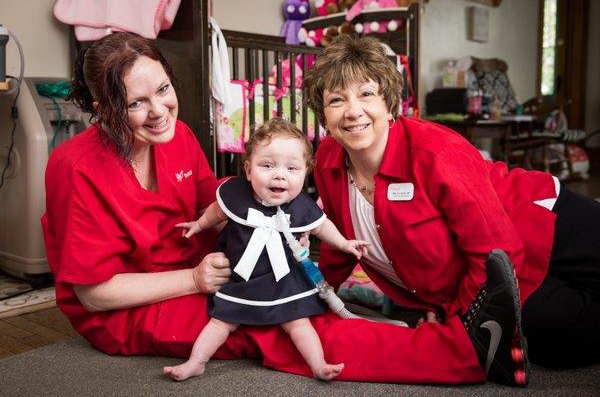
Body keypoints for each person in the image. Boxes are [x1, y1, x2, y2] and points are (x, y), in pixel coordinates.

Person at [42, 32, 525, 387]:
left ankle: (425, 330)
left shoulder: (178, 136)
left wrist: (277, 209)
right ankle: (465, 352)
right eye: (136, 103)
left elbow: (219, 200)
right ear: (102, 107)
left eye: (164, 90)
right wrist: (194, 279)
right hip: (132, 306)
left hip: (216, 270)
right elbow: (93, 295)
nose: (160, 111)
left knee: (293, 298)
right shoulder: (76, 167)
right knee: (280, 326)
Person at [302, 34, 600, 379]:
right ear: (323, 114)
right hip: (498, 267)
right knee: (557, 341)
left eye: (366, 94)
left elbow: (497, 248)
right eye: (336, 100)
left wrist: (461, 320)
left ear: (389, 102)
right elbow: (339, 240)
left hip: (542, 215)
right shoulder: (328, 160)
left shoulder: (435, 150)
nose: (353, 111)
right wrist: (312, 296)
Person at [164, 118, 369, 381]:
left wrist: (344, 243)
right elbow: (217, 211)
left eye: (291, 168)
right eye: (268, 166)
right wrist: (199, 224)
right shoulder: (237, 195)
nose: (279, 175)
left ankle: (319, 365)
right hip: (242, 279)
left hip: (284, 281)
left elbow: (321, 226)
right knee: (220, 323)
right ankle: (196, 362)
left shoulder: (300, 205)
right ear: (249, 170)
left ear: (305, 173)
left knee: (299, 323)